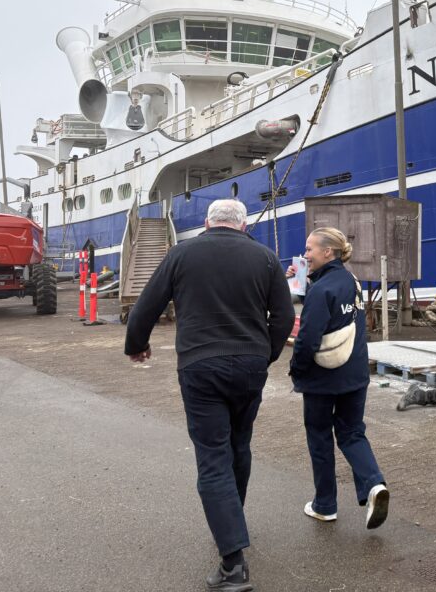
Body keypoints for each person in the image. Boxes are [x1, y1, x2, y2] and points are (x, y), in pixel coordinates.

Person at [124, 199, 295, 592]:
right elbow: (284, 317)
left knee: (213, 456)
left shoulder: (181, 254)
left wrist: (137, 345)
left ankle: (233, 564)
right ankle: (231, 520)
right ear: (243, 225)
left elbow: (146, 306)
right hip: (250, 366)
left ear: (206, 222)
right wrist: (263, 355)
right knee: (239, 444)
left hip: (200, 366)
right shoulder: (266, 257)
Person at [288, 227, 390, 529]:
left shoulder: (321, 290)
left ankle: (325, 505)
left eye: (310, 249)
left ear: (327, 252)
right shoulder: (350, 281)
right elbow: (335, 311)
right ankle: (374, 485)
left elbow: (307, 337)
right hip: (355, 374)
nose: (305, 255)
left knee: (320, 437)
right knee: (352, 432)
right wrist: (298, 281)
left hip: (323, 379)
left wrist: (297, 369)